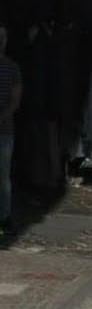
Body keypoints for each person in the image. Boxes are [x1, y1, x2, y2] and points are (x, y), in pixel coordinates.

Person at [0, 24, 22, 234]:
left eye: (3, 37)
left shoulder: (12, 68)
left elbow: (15, 100)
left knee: (3, 177)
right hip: (5, 129)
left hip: (4, 131)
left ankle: (4, 218)